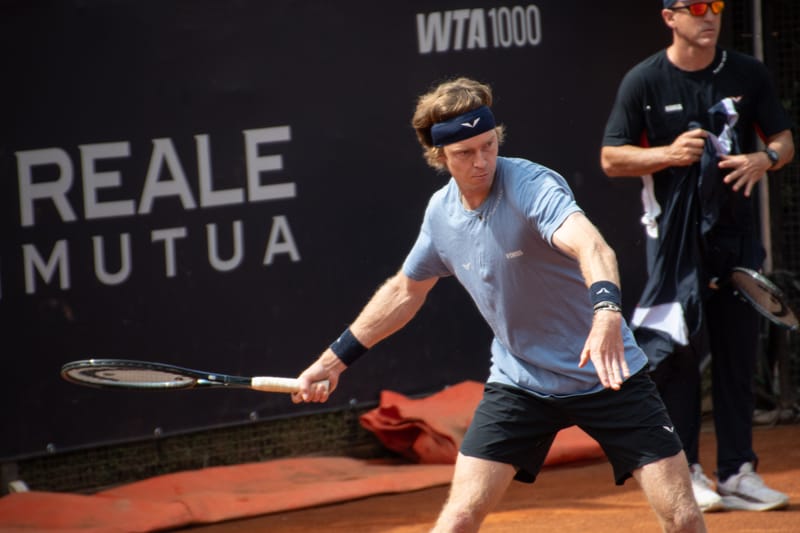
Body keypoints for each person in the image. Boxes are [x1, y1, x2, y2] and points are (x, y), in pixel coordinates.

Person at [292, 77, 706, 532]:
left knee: (682, 517)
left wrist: (606, 313)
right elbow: (404, 292)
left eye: (488, 145)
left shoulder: (532, 185)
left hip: (606, 371)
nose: (482, 161)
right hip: (520, 381)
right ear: (440, 156)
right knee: (460, 517)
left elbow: (594, 248)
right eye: (465, 153)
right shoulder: (440, 214)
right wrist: (333, 362)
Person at [601, 0, 795, 513]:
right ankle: (686, 471)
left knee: (736, 356)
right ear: (670, 17)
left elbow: (783, 139)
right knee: (678, 358)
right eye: (697, 6)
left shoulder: (748, 73)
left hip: (737, 241)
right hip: (672, 246)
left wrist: (765, 157)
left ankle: (738, 472)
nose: (710, 16)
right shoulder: (643, 81)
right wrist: (667, 154)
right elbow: (611, 156)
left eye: (717, 5)